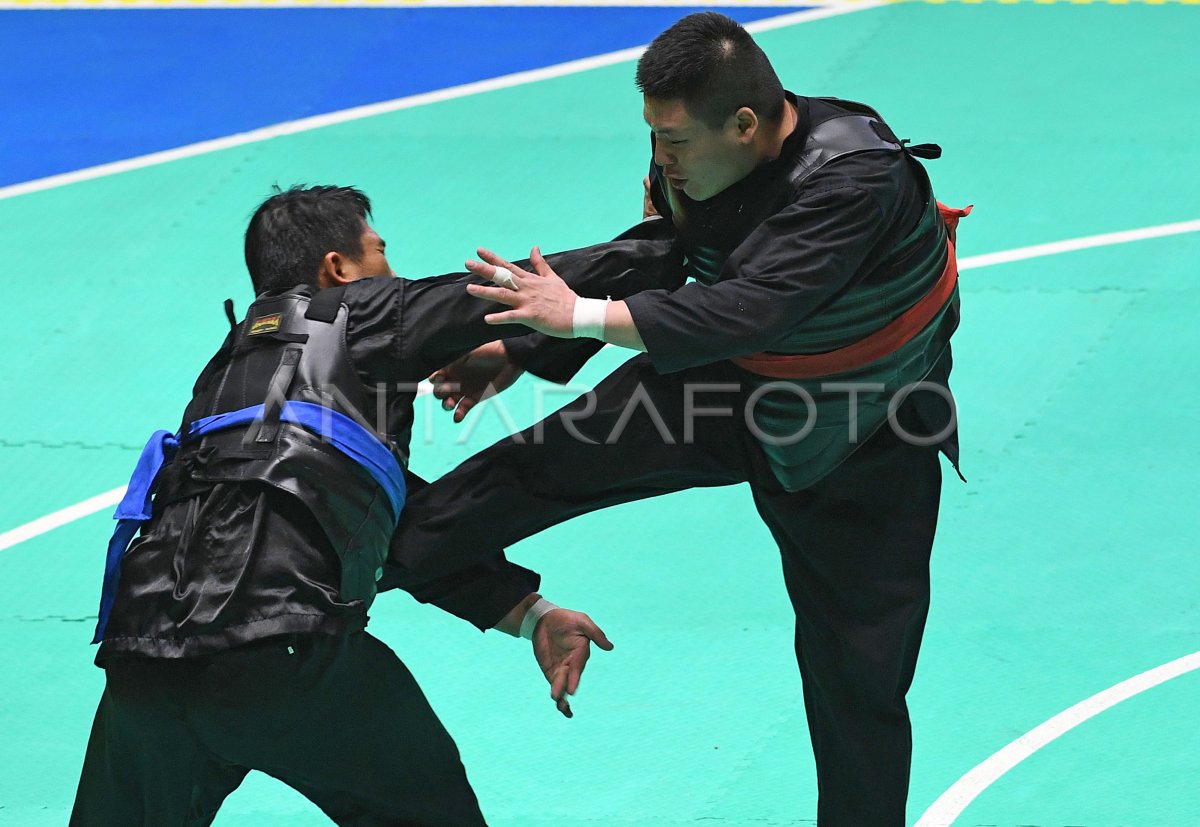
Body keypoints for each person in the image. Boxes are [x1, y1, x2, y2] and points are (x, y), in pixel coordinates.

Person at [383, 12, 968, 825]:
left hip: (864, 433)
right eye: (654, 136)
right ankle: (335, 565)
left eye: (676, 142)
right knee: (533, 466)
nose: (661, 157)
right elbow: (669, 253)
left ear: (745, 124)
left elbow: (746, 309)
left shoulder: (853, 181)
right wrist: (523, 345)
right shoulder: (702, 155)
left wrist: (578, 317)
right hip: (730, 389)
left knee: (857, 673)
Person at [71, 184, 684, 826]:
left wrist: (532, 616)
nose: (395, 273)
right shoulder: (355, 313)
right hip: (286, 653)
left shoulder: (227, 374)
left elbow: (369, 519)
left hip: (140, 663)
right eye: (380, 253)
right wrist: (660, 240)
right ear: (338, 269)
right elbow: (518, 292)